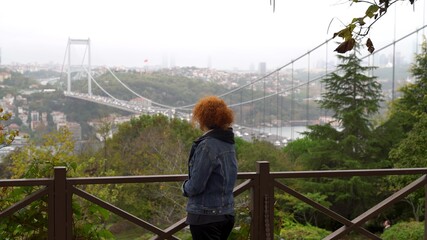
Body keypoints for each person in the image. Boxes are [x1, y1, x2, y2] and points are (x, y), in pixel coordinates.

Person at [182, 96, 238, 240]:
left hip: (205, 216)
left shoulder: (207, 145)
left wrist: (184, 187)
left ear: (202, 118)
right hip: (226, 213)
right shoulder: (228, 143)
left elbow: (196, 186)